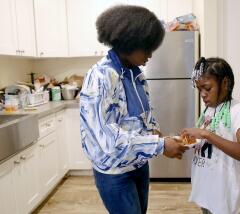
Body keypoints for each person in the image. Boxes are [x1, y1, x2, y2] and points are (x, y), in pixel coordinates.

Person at [79, 5, 188, 214]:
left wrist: (157, 134)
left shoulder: (136, 74)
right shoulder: (100, 77)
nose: (150, 55)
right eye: (146, 48)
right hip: (115, 172)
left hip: (138, 165)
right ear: (130, 43)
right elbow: (107, 140)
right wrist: (160, 145)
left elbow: (143, 116)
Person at [181, 57, 240, 214]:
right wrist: (191, 140)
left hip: (222, 193)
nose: (202, 94)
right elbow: (209, 141)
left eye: (207, 88)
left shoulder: (238, 110)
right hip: (206, 188)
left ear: (225, 84)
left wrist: (204, 134)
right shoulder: (209, 109)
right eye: (199, 89)